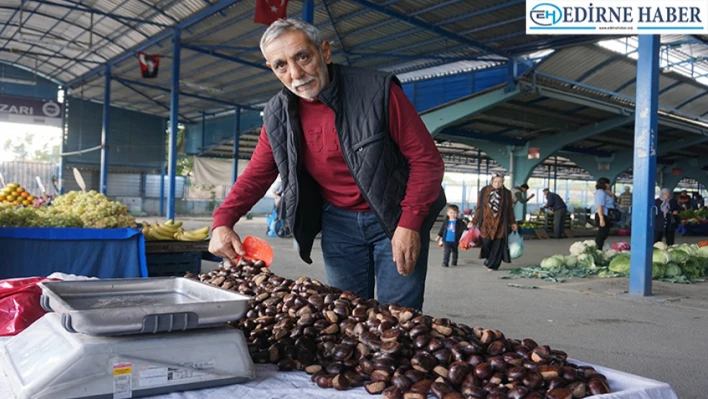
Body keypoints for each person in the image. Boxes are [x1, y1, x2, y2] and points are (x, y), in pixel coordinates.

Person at [208, 19, 446, 311]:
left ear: (325, 52)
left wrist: (410, 223)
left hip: (395, 215)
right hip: (338, 225)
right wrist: (222, 221)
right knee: (345, 314)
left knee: (399, 317)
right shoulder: (276, 115)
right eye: (281, 65)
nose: (296, 73)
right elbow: (257, 174)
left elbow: (427, 161)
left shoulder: (376, 90)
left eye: (303, 57)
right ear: (272, 69)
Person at [470, 174, 517, 271]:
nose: (497, 184)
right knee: (486, 241)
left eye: (500, 182)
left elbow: (509, 209)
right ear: (492, 181)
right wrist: (474, 221)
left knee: (498, 243)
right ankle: (489, 259)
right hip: (486, 223)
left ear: (503, 182)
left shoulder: (506, 193)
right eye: (495, 181)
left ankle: (493, 264)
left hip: (500, 222)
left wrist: (513, 222)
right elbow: (479, 207)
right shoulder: (484, 191)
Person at [594, 177, 616, 250]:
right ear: (605, 184)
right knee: (602, 233)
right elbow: (599, 206)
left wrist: (611, 195)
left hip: (607, 215)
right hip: (603, 215)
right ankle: (598, 248)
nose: (609, 185)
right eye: (608, 184)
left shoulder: (604, 193)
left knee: (605, 233)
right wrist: (601, 218)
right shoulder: (600, 193)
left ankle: (599, 247)